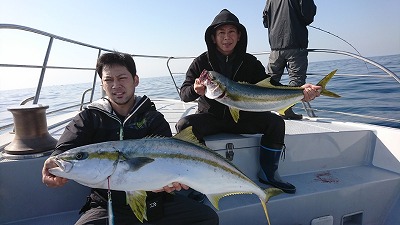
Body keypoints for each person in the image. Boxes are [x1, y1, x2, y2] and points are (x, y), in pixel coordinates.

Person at [42, 52, 219, 225]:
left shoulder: (153, 118)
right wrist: (52, 162)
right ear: (102, 84)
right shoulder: (90, 118)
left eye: (122, 78)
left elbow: (170, 158)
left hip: (156, 201)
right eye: (108, 80)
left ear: (135, 80)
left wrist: (172, 182)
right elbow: (65, 147)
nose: (115, 85)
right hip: (108, 205)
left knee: (207, 218)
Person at [176, 9, 321, 194]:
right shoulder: (201, 63)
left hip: (243, 117)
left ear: (239, 36)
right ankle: (202, 179)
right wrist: (195, 91)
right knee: (184, 126)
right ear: (213, 38)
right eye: (221, 33)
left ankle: (269, 173)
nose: (226, 37)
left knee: (276, 123)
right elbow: (184, 93)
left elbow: (272, 87)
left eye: (231, 32)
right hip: (210, 117)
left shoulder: (250, 62)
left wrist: (301, 91)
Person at [263, 0, 317, 120]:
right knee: (297, 80)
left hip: (275, 48)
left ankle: (263, 109)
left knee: (268, 81)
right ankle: (286, 109)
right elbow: (308, 16)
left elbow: (265, 22)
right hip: (295, 44)